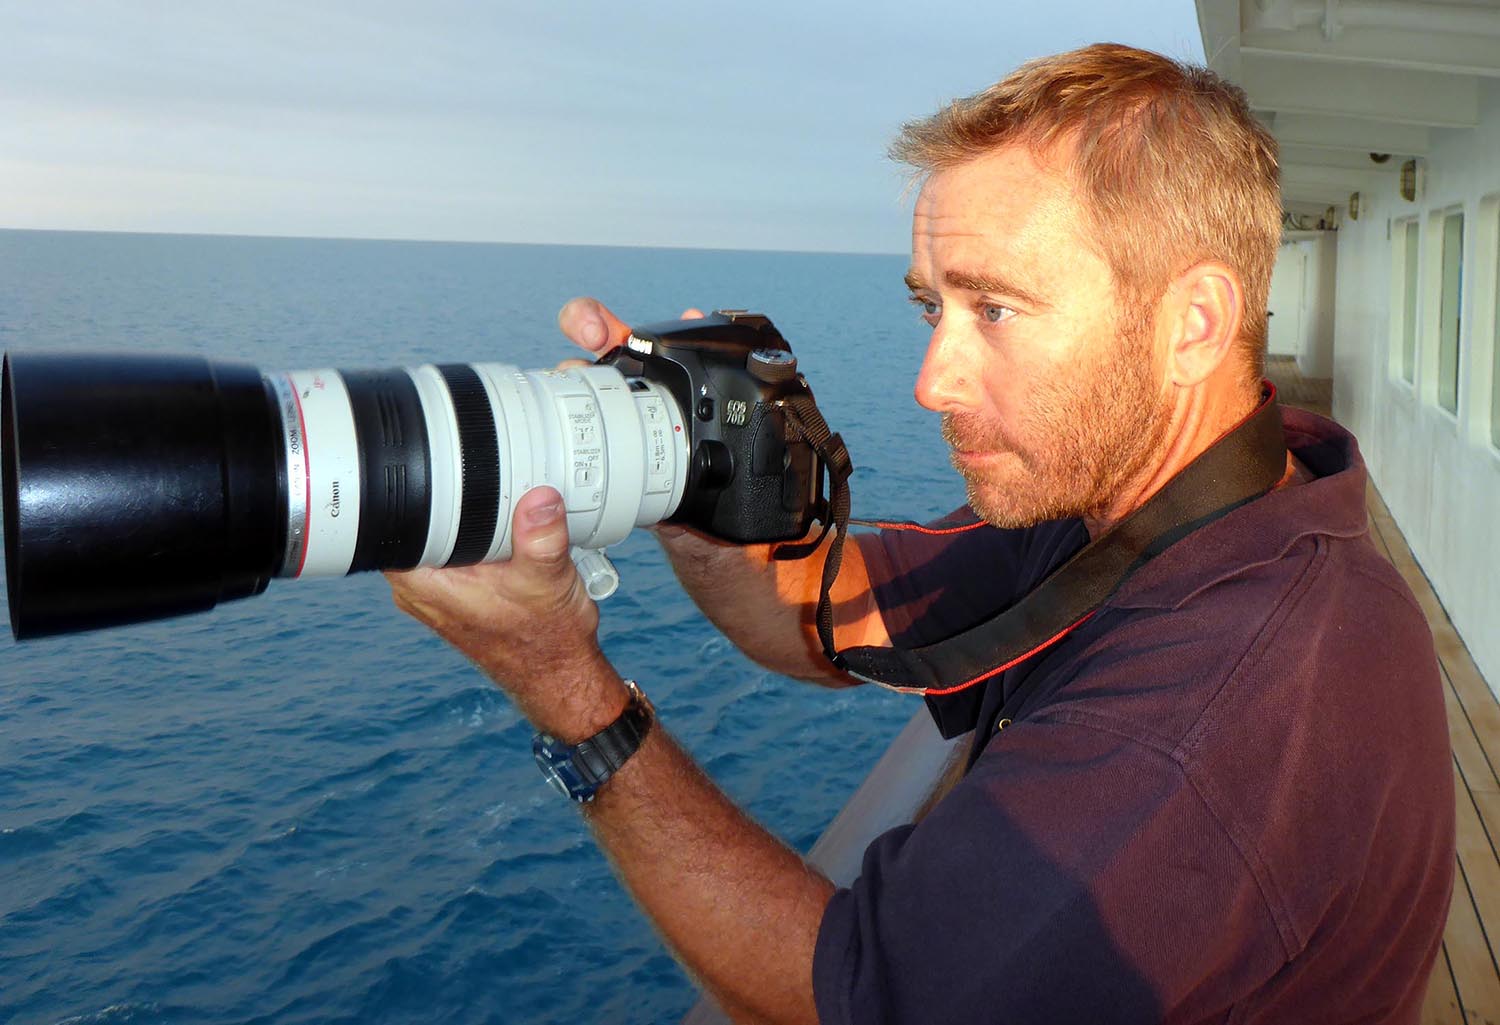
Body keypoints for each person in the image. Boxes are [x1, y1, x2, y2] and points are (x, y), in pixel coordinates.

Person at [387, 43, 1455, 1025]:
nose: (931, 381)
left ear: (1194, 323)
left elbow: (846, 994)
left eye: (993, 309)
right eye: (930, 307)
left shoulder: (1228, 703)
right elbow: (826, 611)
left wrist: (568, 691)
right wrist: (675, 458)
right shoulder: (1169, 505)